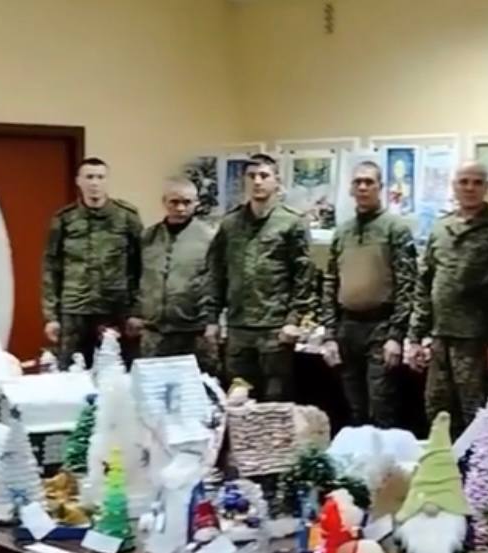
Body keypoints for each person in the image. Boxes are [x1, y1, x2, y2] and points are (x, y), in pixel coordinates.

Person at [407, 161, 488, 437]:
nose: (470, 188)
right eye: (464, 182)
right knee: (438, 412)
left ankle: (477, 466)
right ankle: (444, 462)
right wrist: (415, 336)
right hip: (440, 338)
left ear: (486, 188)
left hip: (478, 341)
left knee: (477, 416)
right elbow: (425, 284)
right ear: (454, 186)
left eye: (477, 182)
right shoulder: (441, 228)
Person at [207, 154, 315, 401]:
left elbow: (303, 275)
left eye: (264, 176)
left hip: (274, 327)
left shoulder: (292, 222)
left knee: (275, 400)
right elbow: (216, 272)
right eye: (252, 176)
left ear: (277, 181)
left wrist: (294, 320)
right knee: (238, 398)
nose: (257, 181)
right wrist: (212, 318)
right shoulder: (230, 224)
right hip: (238, 327)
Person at [320, 161, 417, 427]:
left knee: (381, 405)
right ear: (351, 189)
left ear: (380, 187)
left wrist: (396, 335)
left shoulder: (395, 229)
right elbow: (330, 281)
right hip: (347, 328)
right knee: (354, 409)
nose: (363, 187)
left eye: (369, 182)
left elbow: (407, 283)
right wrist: (329, 334)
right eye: (358, 182)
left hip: (381, 327)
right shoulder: (342, 232)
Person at [42, 158, 143, 368]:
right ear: (78, 181)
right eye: (89, 177)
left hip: (116, 308)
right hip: (75, 308)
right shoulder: (64, 219)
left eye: (100, 177)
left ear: (107, 181)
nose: (94, 183)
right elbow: (51, 267)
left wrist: (138, 312)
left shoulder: (126, 217)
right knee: (72, 370)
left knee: (121, 369)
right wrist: (51, 316)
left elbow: (141, 265)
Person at [129, 177, 219, 374]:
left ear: (196, 203)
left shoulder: (209, 238)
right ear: (164, 202)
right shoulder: (148, 237)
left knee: (196, 387)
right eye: (174, 202)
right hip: (154, 331)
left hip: (194, 330)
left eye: (187, 202)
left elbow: (218, 280)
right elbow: (135, 276)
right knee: (153, 385)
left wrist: (214, 321)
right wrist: (135, 313)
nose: (180, 208)